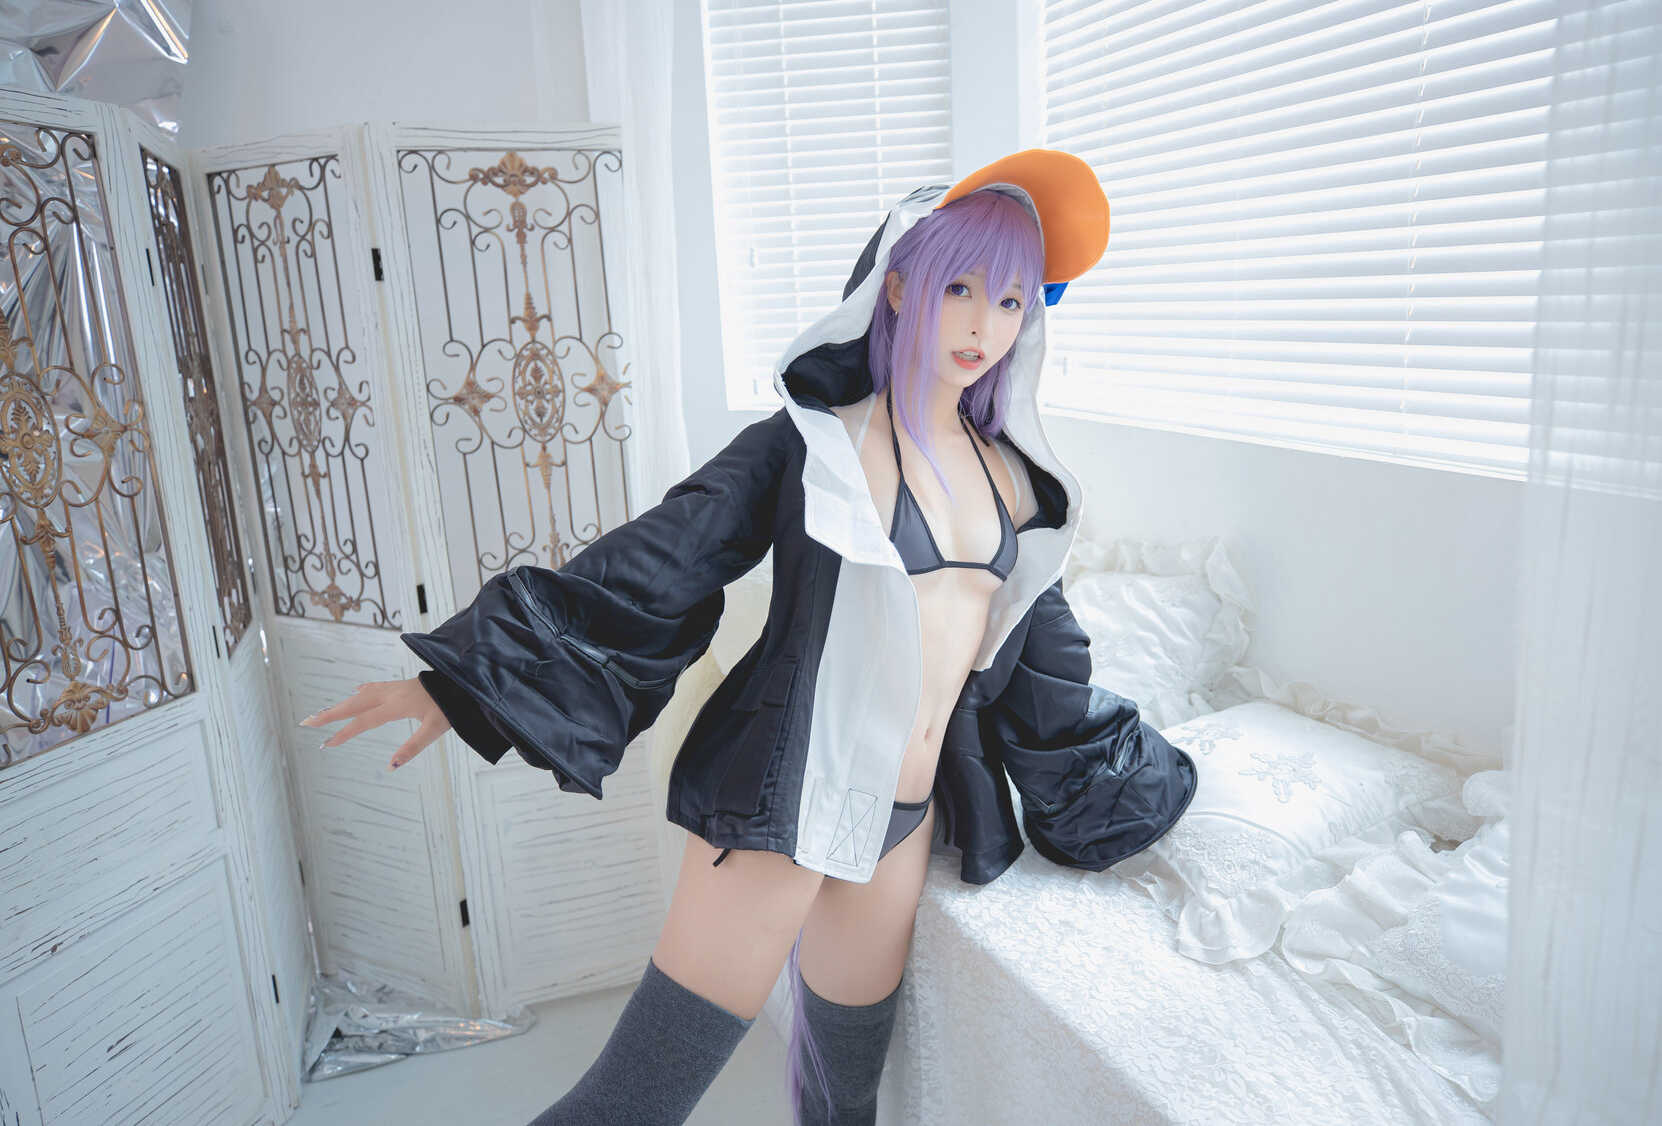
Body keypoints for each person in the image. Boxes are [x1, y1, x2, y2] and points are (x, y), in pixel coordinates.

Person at [304, 149, 1196, 1126]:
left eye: (1013, 301)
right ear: (899, 286)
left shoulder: (1018, 482)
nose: (985, 323)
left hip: (903, 826)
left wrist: (1149, 781)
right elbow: (663, 555)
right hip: (789, 808)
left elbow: (1045, 666)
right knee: (629, 1105)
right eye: (961, 288)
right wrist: (464, 680)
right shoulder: (815, 443)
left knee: (842, 1104)